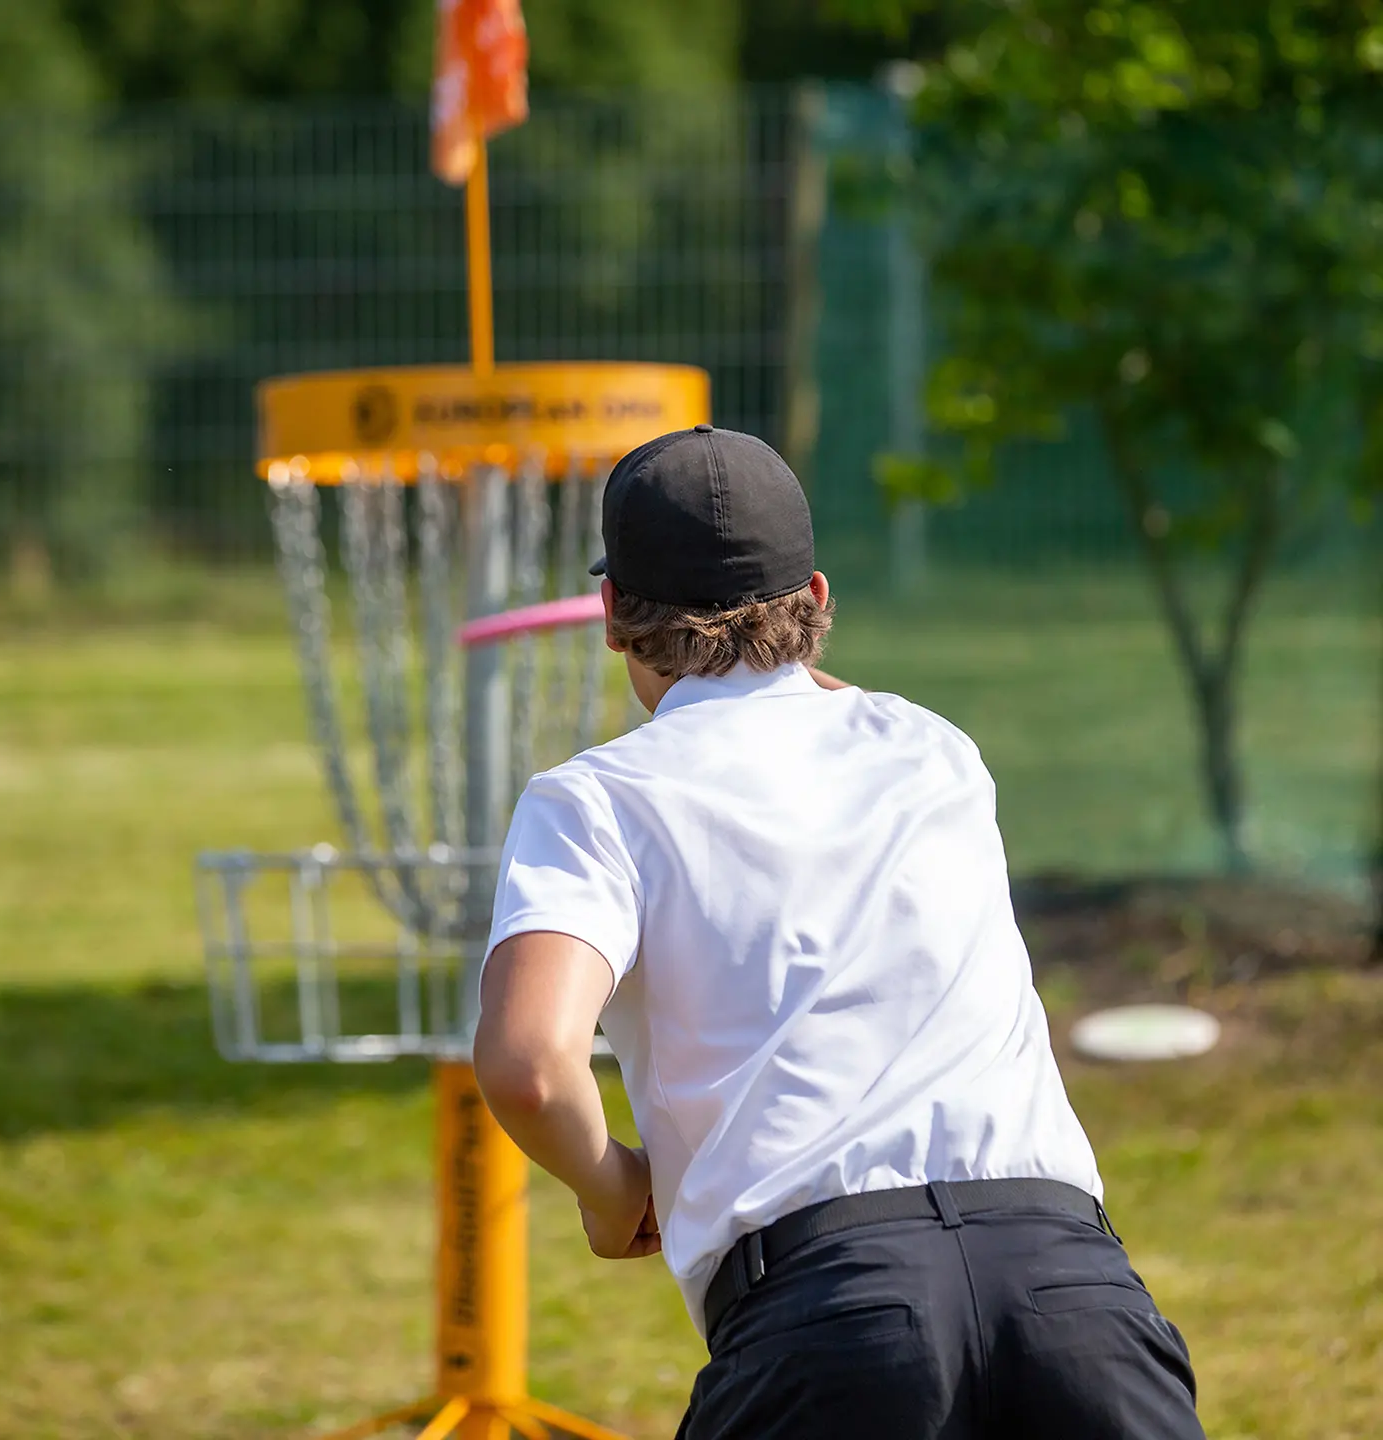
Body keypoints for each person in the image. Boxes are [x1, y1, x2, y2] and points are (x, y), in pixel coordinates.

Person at [472, 424, 1204, 1439]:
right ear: (817, 598)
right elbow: (812, 712)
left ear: (612, 618)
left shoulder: (594, 802)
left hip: (832, 1323)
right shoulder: (936, 751)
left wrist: (612, 1189)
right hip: (1075, 1297)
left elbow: (528, 1066)